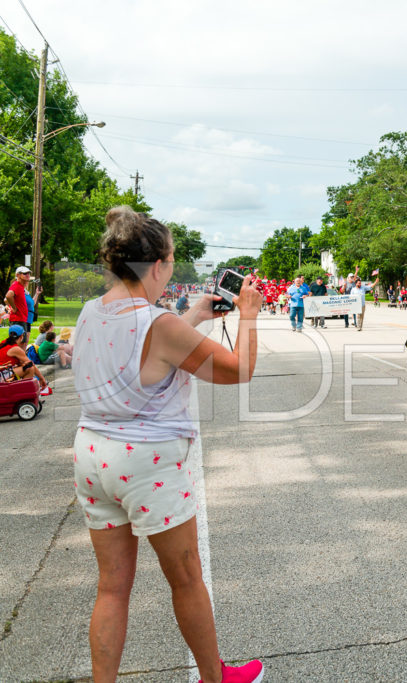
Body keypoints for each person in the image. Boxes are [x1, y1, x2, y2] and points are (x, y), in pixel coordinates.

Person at [72, 206, 263, 683]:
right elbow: (239, 369)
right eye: (172, 261)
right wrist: (249, 314)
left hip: (93, 453)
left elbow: (142, 353)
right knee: (186, 578)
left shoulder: (90, 312)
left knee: (112, 588)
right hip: (147, 463)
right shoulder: (161, 325)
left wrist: (192, 315)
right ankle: (213, 678)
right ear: (156, 265)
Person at [0, 324, 52, 395]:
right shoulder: (16, 349)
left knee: (25, 366)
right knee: (29, 368)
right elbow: (31, 364)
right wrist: (42, 379)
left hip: (3, 372)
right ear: (22, 336)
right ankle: (24, 394)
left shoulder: (4, 342)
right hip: (2, 376)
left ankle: (22, 391)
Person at [5, 265, 36, 333]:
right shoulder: (16, 285)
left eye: (28, 273)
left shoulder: (20, 287)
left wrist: (10, 307)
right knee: (17, 342)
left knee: (22, 342)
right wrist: (14, 308)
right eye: (25, 273)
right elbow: (8, 296)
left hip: (22, 319)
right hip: (17, 320)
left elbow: (7, 299)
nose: (27, 275)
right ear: (18, 275)